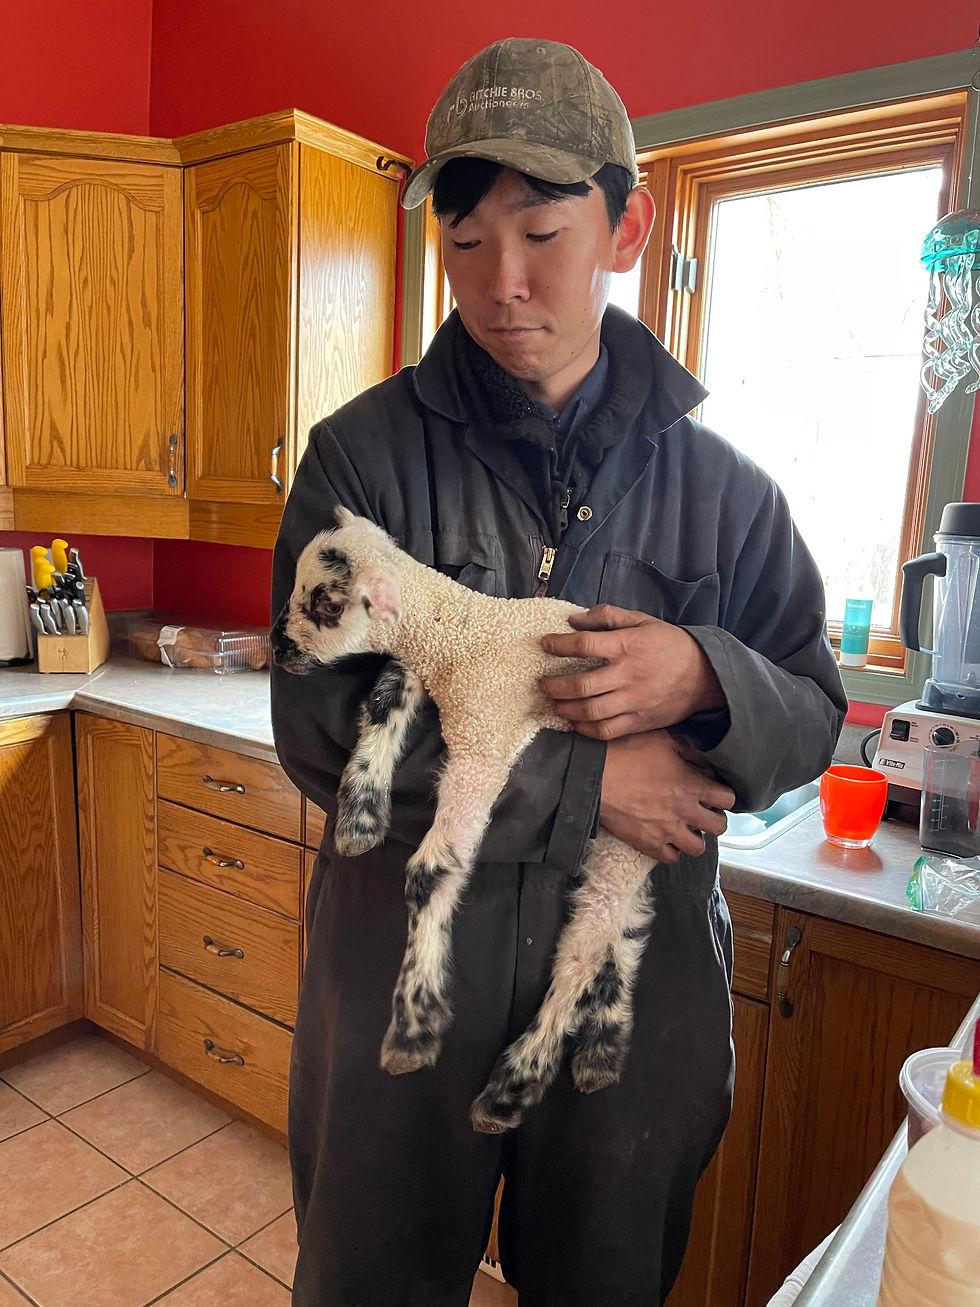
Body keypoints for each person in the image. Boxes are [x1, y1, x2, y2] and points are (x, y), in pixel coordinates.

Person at [271, 36, 846, 1307]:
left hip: (629, 1006)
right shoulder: (359, 462)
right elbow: (320, 724)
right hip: (400, 993)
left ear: (627, 226)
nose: (500, 282)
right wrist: (590, 787)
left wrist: (704, 670)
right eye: (465, 241)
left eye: (540, 231)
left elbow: (812, 709)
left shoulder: (728, 493)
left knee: (602, 1284)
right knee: (366, 1283)